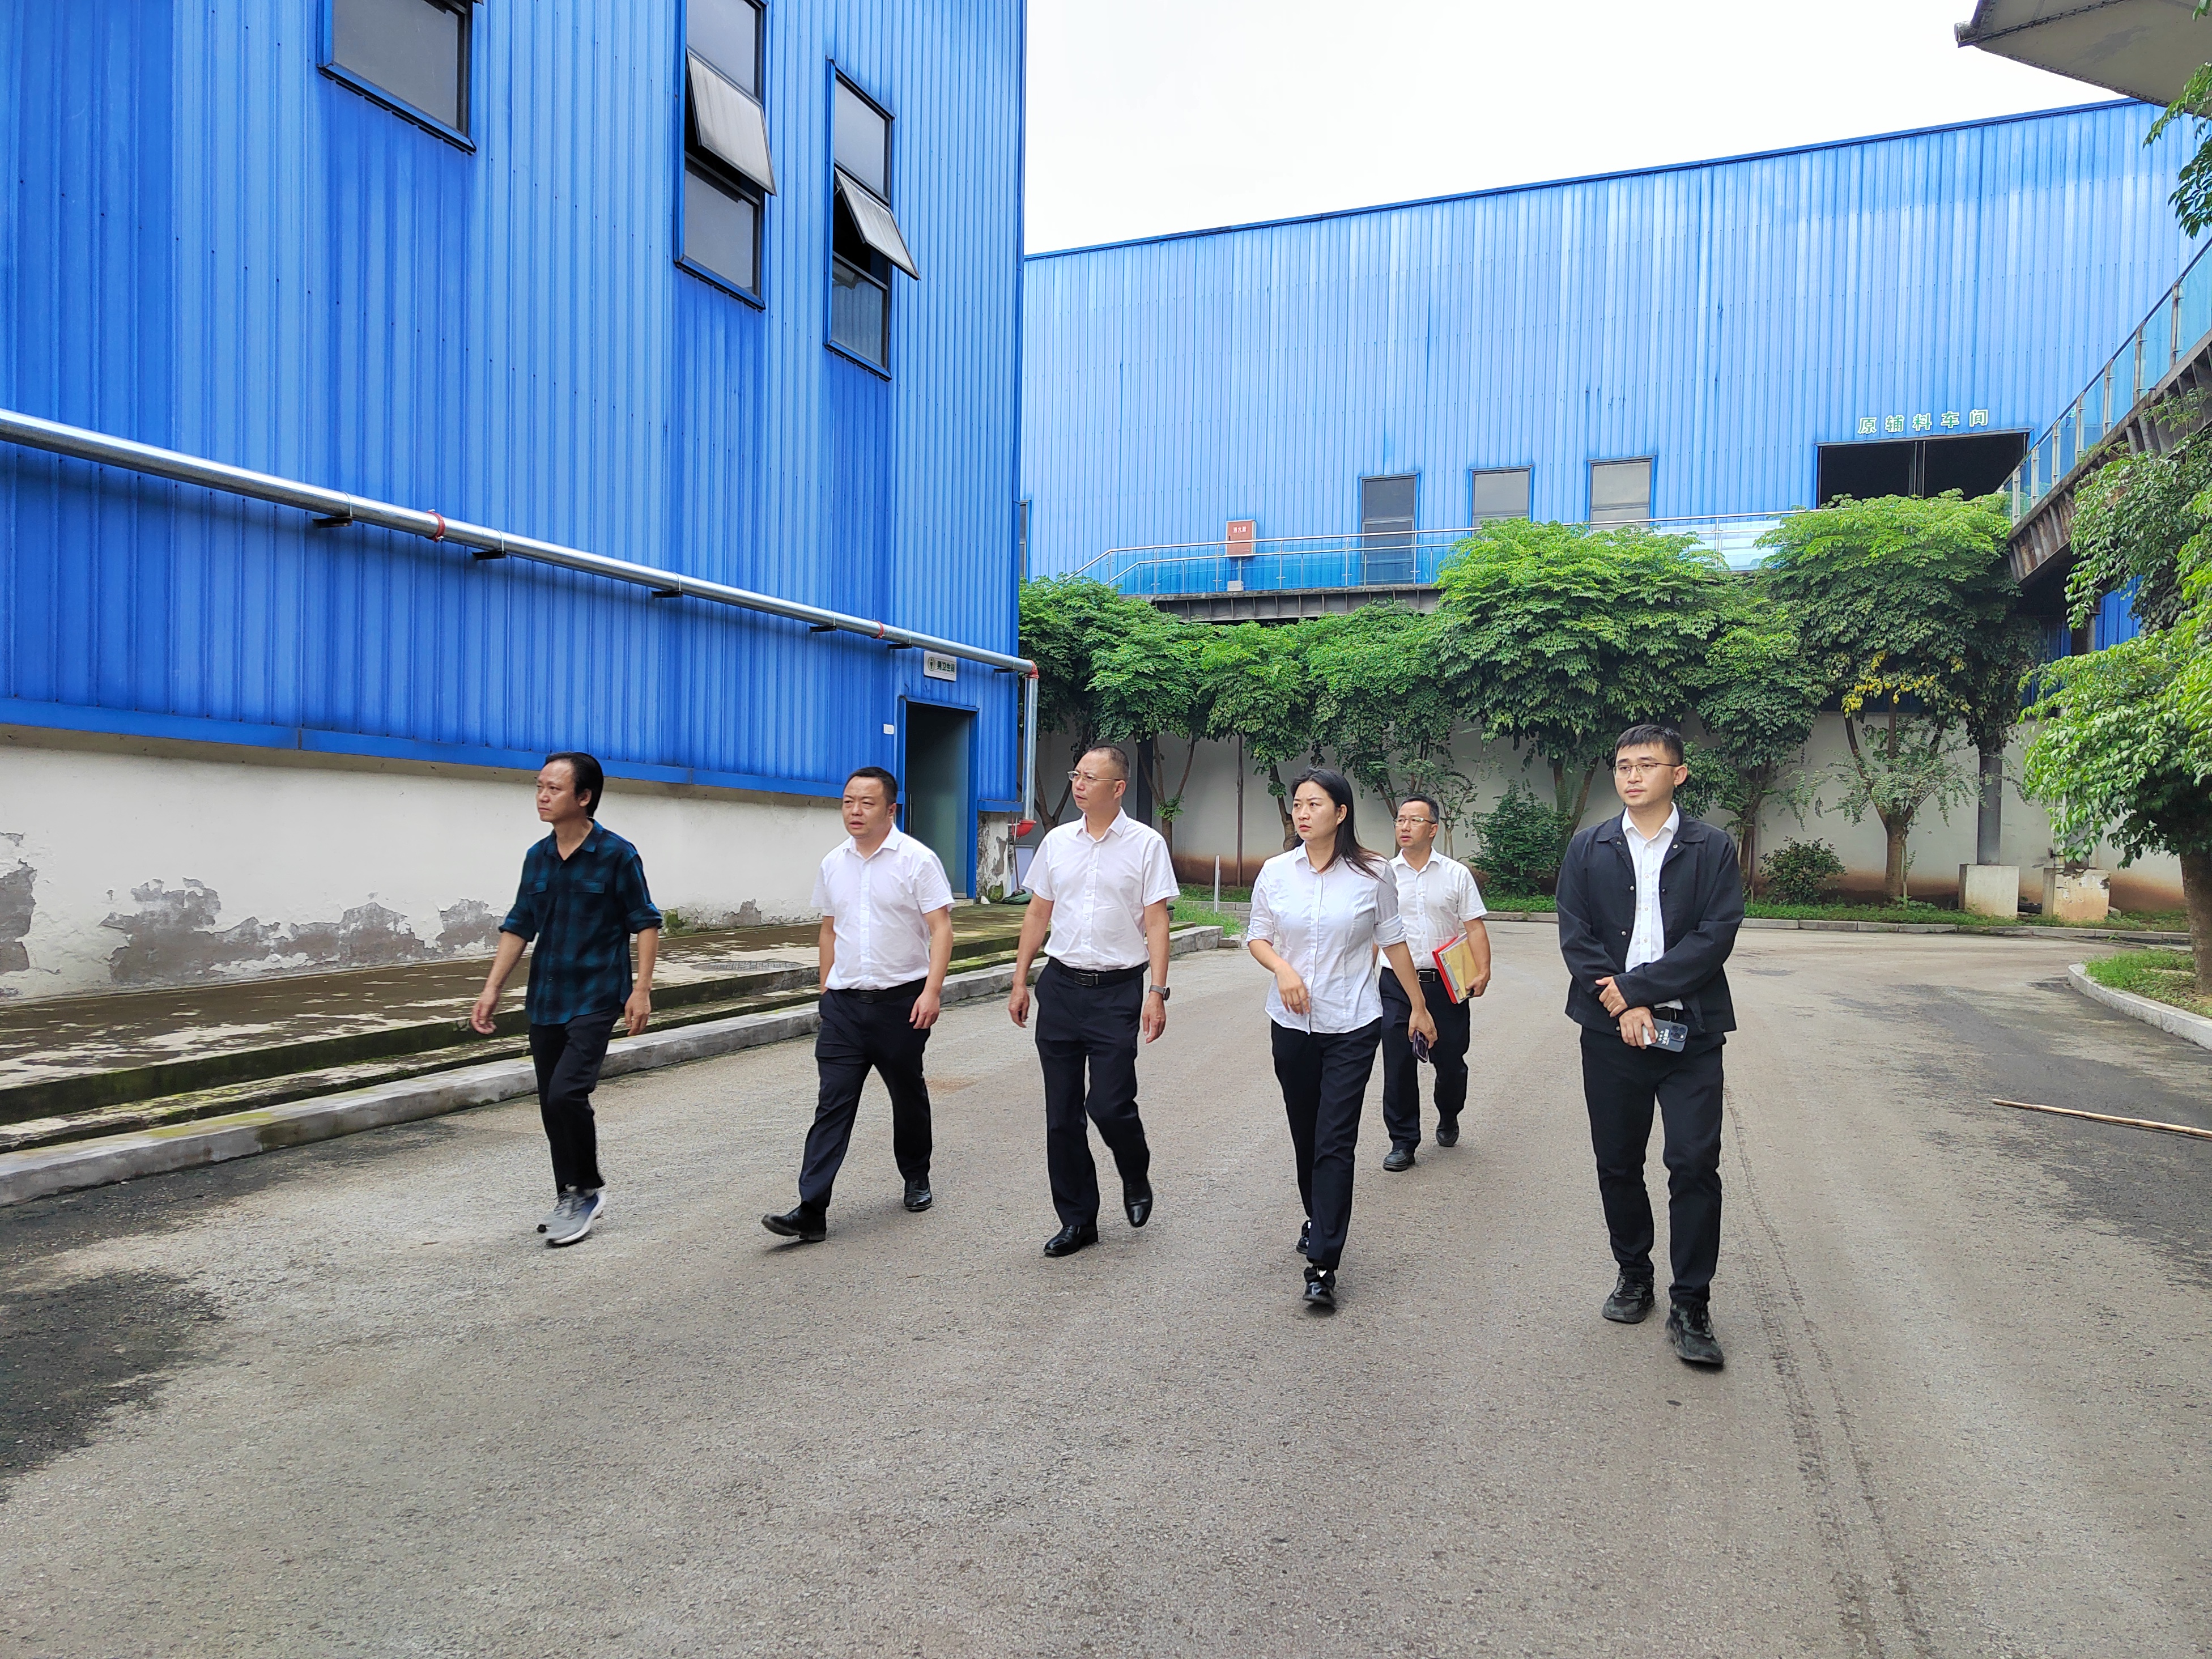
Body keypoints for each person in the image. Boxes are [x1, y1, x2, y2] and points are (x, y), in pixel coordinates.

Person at [1555, 723, 1744, 1369]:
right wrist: (1622, 1005)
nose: (1631, 776)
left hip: (1690, 1034)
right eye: (1622, 765)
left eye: (1646, 765)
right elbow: (1576, 934)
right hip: (1610, 1033)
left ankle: (1691, 1302)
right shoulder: (1589, 846)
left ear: (1678, 774)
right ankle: (1633, 1273)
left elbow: (1715, 936)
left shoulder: (1711, 847)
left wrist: (1636, 990)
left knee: (1693, 1163)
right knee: (1617, 1161)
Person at [1247, 768, 1437, 1309]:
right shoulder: (1276, 872)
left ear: (1341, 812)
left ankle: (1324, 1263)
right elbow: (1257, 936)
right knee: (1305, 1133)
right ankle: (1318, 1215)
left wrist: (1418, 1007)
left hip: (1353, 1023)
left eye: (1314, 804)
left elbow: (1393, 941)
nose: (1303, 813)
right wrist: (1282, 969)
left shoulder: (1374, 872)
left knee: (1335, 1139)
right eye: (1297, 805)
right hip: (1291, 1025)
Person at [471, 752, 660, 1248]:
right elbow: (519, 925)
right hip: (547, 997)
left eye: (554, 789)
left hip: (597, 995)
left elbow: (645, 921)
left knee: (567, 1094)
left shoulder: (617, 855)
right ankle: (569, 1194)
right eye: (539, 787)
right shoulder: (537, 857)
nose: (542, 796)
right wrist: (492, 988)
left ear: (584, 797)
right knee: (551, 1104)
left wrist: (641, 989)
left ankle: (587, 1190)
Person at [763, 766, 954, 1244]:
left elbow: (941, 929)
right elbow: (830, 929)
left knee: (907, 1094)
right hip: (844, 1007)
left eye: (867, 803)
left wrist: (931, 991)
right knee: (833, 1103)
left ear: (891, 809)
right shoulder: (834, 863)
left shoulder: (918, 861)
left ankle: (916, 1175)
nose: (855, 811)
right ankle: (811, 1208)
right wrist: (826, 988)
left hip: (901, 1003)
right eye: (849, 801)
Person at [1007, 745, 1179, 1258]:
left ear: (1118, 788)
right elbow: (1038, 914)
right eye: (1075, 775)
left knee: (1109, 1104)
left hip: (1117, 992)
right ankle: (1078, 1220)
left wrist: (1157, 992)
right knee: (1061, 1115)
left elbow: (1156, 922)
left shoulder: (1146, 845)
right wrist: (1020, 980)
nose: (1078, 785)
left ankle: (1134, 1170)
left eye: (1089, 778)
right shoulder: (1057, 842)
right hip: (1060, 987)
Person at [1377, 792, 1491, 1169]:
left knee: (1451, 1061)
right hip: (1396, 984)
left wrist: (1483, 970)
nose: (1405, 826)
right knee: (1398, 1063)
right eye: (1400, 820)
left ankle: (1449, 1112)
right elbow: (1372, 932)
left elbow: (1474, 926)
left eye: (1414, 820)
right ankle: (1403, 1141)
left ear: (1433, 829)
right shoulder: (1383, 875)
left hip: (1446, 981)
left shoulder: (1456, 874)